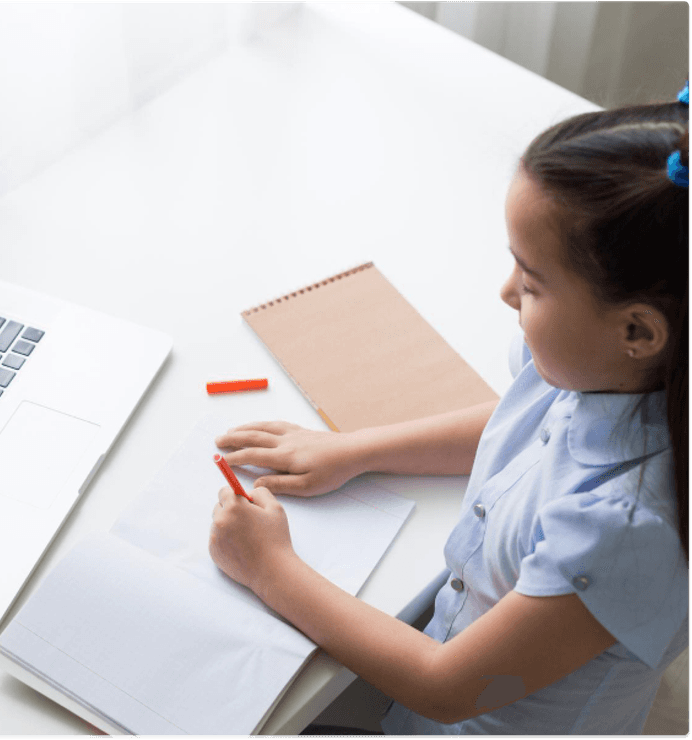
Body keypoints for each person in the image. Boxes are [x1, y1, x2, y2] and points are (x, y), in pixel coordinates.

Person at [208, 85, 690, 736]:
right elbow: (516, 421)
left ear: (638, 331)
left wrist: (270, 569)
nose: (505, 292)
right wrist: (354, 450)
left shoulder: (627, 529)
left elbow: (447, 687)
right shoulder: (601, 367)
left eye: (531, 281)